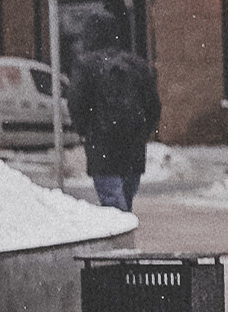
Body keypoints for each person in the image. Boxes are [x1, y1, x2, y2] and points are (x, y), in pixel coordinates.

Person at [67, 23, 162, 212]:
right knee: (125, 199)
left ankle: (123, 240)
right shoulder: (137, 64)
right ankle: (125, 237)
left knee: (113, 204)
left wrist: (85, 131)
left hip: (102, 146)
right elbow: (153, 105)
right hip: (133, 147)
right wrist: (142, 132)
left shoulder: (86, 65)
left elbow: (77, 103)